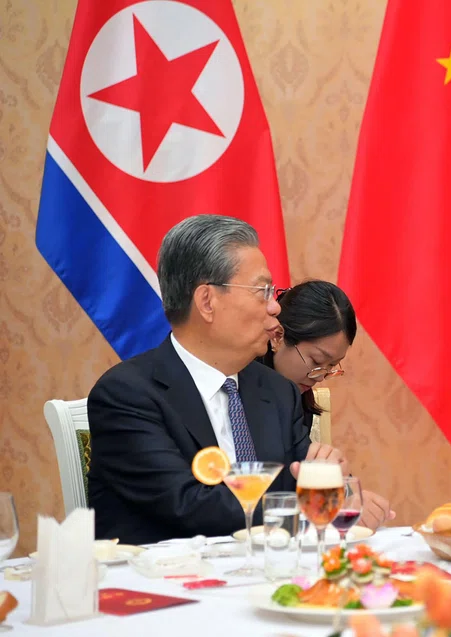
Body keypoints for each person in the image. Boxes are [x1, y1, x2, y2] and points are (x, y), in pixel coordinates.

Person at [88, 215, 336, 544]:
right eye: (262, 291)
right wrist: (311, 507)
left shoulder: (277, 392)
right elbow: (189, 506)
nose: (275, 307)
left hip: (266, 578)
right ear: (207, 301)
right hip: (163, 587)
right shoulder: (126, 395)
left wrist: (333, 483)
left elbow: (300, 482)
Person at [260, 280, 396, 530]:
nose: (321, 376)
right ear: (278, 337)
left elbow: (307, 470)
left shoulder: (296, 399)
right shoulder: (244, 386)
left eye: (332, 366)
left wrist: (346, 490)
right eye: (317, 360)